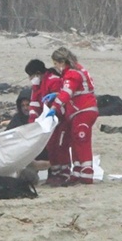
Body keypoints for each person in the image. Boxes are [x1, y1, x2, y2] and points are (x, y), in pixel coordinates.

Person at [47, 47, 98, 185]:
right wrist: (57, 95)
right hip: (79, 111)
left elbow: (67, 93)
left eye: (56, 64)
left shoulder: (72, 74)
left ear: (62, 62)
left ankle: (87, 172)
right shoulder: (77, 70)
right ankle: (77, 171)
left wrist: (54, 106)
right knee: (76, 139)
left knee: (81, 139)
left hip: (83, 110)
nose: (56, 67)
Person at [25, 58, 68, 184]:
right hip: (47, 120)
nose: (31, 79)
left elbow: (60, 99)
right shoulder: (37, 85)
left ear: (38, 73)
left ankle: (63, 173)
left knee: (60, 146)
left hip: (59, 118)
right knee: (51, 146)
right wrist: (32, 123)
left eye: (31, 75)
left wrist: (53, 113)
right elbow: (34, 103)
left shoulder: (53, 81)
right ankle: (54, 173)